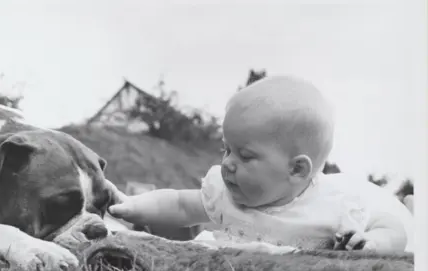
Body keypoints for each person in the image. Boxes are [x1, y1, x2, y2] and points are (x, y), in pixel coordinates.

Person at [108, 76, 413, 254]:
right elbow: (178, 204)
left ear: (296, 170)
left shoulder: (334, 207)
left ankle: (414, 204)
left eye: (245, 155)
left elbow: (391, 226)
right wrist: (130, 205)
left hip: (379, 204)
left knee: (410, 223)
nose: (227, 164)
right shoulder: (224, 195)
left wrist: (372, 242)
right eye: (226, 150)